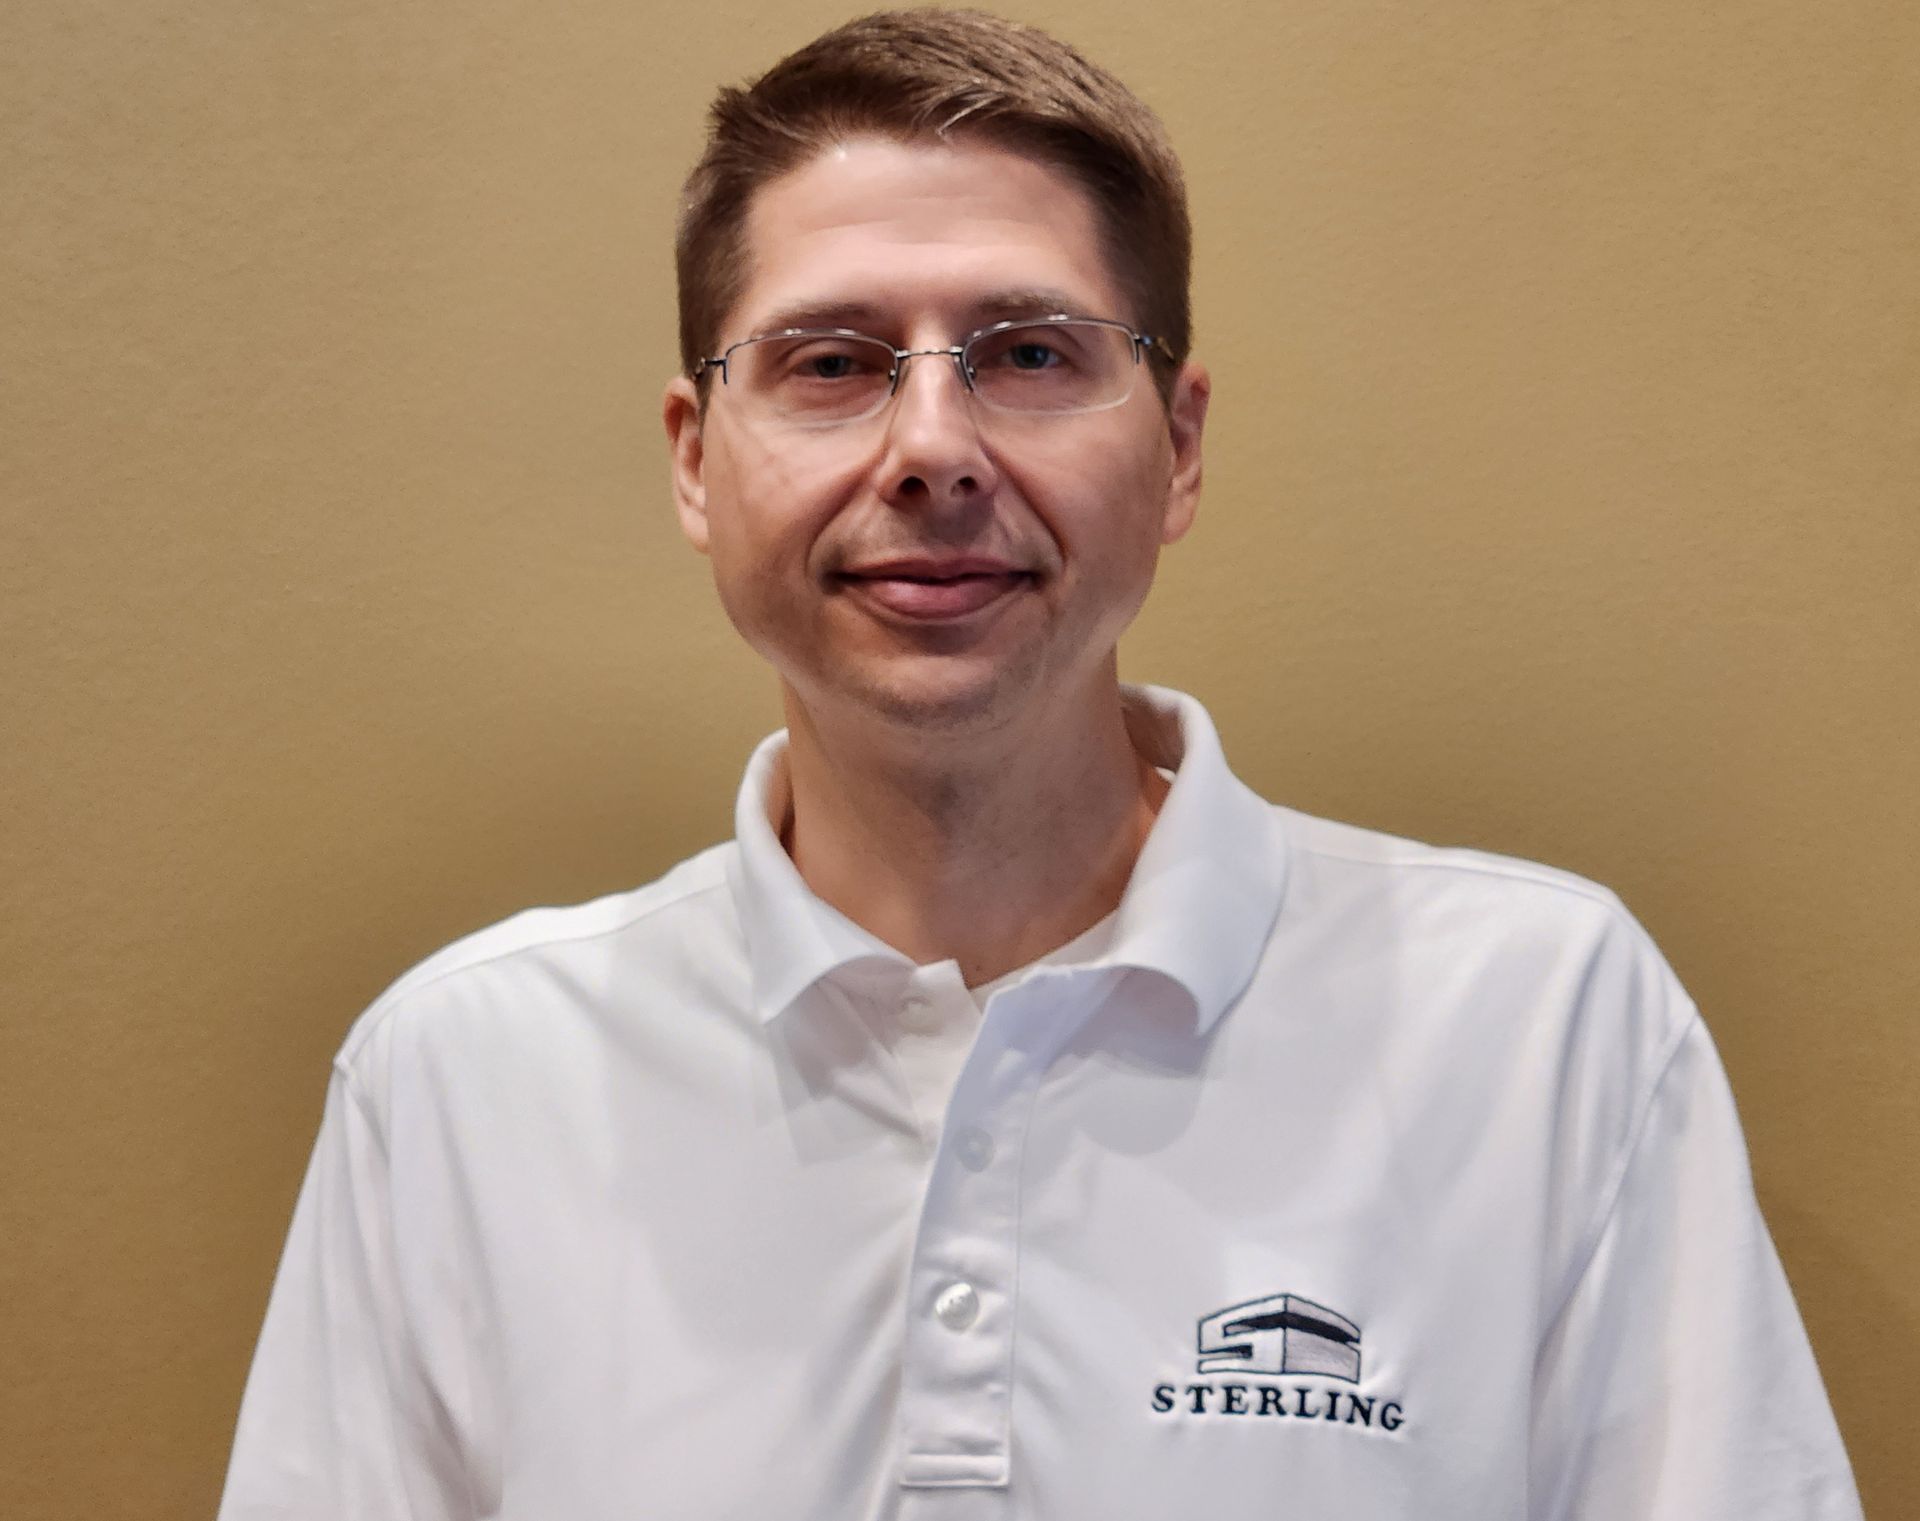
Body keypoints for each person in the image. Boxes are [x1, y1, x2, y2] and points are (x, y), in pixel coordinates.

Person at [217, 10, 1864, 1518]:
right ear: (696, 461)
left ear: (1182, 447)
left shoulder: (1541, 1027)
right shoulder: (462, 1079)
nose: (932, 448)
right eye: (831, 362)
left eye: (1029, 353)